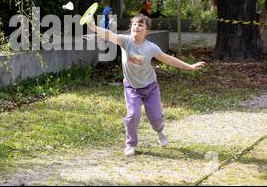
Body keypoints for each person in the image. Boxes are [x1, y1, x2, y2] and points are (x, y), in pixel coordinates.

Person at [87, 14, 206, 156]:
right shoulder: (125, 41)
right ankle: (130, 144)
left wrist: (190, 67)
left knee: (155, 119)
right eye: (134, 25)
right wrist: (94, 27)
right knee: (132, 115)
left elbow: (168, 59)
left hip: (150, 87)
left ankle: (160, 132)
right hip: (132, 87)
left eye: (141, 25)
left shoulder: (151, 48)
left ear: (147, 31)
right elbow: (109, 34)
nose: (136, 27)